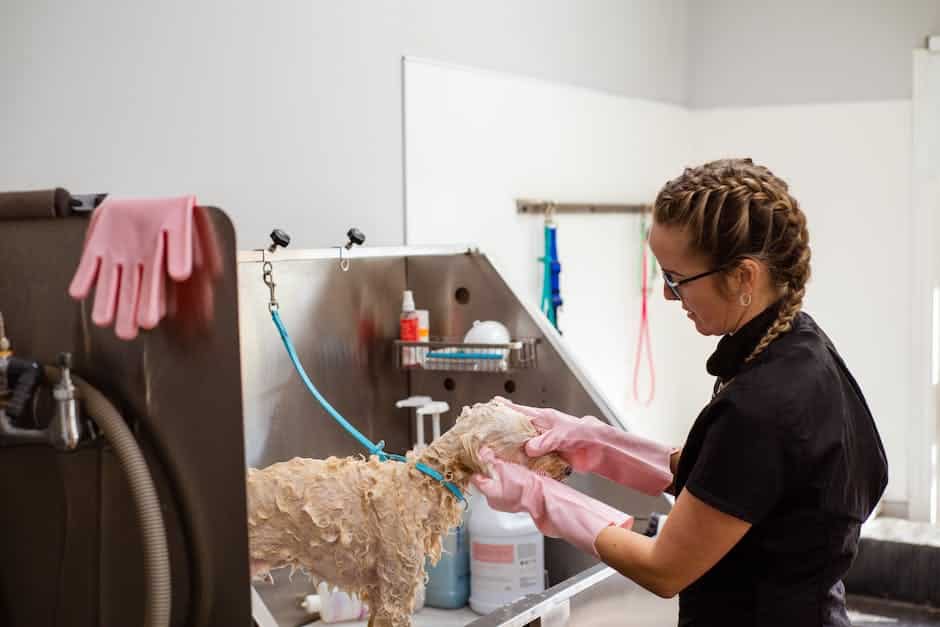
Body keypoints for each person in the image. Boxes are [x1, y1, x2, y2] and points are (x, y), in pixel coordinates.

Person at [472, 158, 889, 626]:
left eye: (677, 278)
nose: (670, 296)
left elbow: (663, 568)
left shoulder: (765, 405)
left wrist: (539, 495)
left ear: (744, 277)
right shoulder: (801, 348)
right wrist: (591, 441)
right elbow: (729, 475)